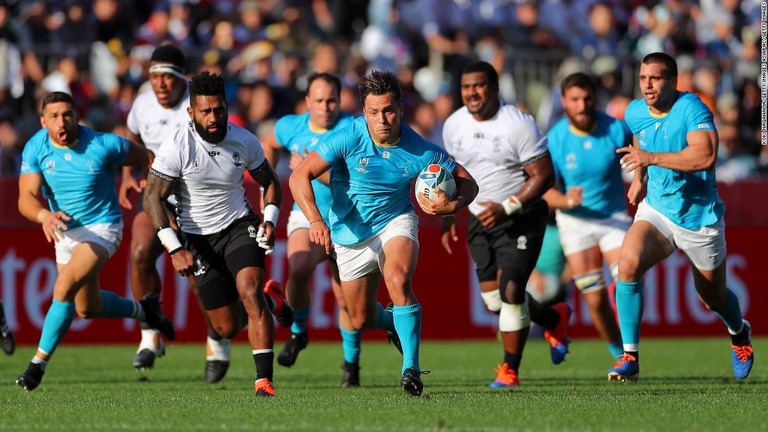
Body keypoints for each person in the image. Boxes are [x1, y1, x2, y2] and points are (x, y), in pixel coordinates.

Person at [289, 70, 478, 396]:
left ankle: (412, 370)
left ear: (401, 109)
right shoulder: (347, 136)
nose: (382, 119)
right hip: (348, 233)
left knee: (398, 277)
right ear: (364, 111)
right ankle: (395, 323)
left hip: (395, 221)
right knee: (360, 318)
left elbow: (468, 182)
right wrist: (316, 220)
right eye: (374, 112)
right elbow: (299, 177)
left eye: (389, 110)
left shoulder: (421, 149)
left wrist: (452, 207)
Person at [143, 71, 290, 397]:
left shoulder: (244, 140)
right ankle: (273, 301)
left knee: (249, 288)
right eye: (206, 111)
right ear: (191, 113)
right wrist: (174, 248)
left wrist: (269, 220)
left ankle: (263, 381)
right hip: (197, 238)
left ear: (226, 107)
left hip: (239, 225)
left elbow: (270, 183)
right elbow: (151, 197)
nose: (213, 118)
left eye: (219, 110)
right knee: (226, 327)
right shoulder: (177, 146)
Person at [16, 91, 175, 391]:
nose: (61, 121)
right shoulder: (36, 147)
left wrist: (138, 184)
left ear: (77, 116)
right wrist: (43, 217)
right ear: (43, 121)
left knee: (62, 287)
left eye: (67, 114)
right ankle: (145, 311)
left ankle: (36, 366)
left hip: (103, 228)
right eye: (54, 116)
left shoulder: (103, 145)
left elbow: (144, 156)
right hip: (63, 232)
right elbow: (25, 197)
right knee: (87, 307)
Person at [611, 52, 754, 382]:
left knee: (712, 298)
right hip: (658, 210)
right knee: (628, 263)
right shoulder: (635, 111)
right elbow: (640, 137)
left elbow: (705, 155)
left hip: (699, 219)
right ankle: (629, 356)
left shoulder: (692, 108)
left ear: (674, 82)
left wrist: (651, 158)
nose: (648, 85)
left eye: (656, 78)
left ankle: (739, 333)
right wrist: (639, 178)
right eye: (644, 78)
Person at [441, 60, 571, 389]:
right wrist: (448, 216)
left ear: (495, 88)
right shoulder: (453, 125)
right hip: (478, 219)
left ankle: (509, 371)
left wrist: (508, 206)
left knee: (512, 290)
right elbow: (451, 177)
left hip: (521, 215)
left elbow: (545, 176)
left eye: (479, 85)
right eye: (466, 86)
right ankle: (554, 317)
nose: (472, 92)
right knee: (494, 301)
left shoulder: (518, 124)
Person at [119, 44, 236, 383]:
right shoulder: (142, 104)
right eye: (154, 76)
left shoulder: (199, 106)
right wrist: (129, 172)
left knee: (198, 277)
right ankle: (150, 335)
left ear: (181, 79)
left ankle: (217, 340)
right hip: (158, 198)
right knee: (140, 252)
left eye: (167, 77)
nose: (160, 84)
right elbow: (133, 135)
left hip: (198, 204)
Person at [262, 72, 364, 386]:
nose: (325, 107)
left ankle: (351, 364)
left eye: (331, 99)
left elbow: (358, 181)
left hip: (349, 218)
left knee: (346, 298)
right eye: (318, 100)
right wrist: (267, 182)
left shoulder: (353, 128)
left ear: (340, 99)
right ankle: (298, 331)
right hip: (307, 214)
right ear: (307, 101)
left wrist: (310, 170)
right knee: (299, 264)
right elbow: (269, 141)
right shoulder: (291, 126)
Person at [544, 72, 630, 364]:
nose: (581, 105)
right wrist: (566, 200)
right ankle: (619, 354)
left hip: (613, 217)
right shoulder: (555, 139)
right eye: (574, 99)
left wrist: (641, 176)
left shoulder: (616, 129)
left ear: (595, 99)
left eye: (586, 98)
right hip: (574, 220)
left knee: (626, 280)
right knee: (594, 299)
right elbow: (545, 192)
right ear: (564, 102)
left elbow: (640, 157)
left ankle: (631, 353)